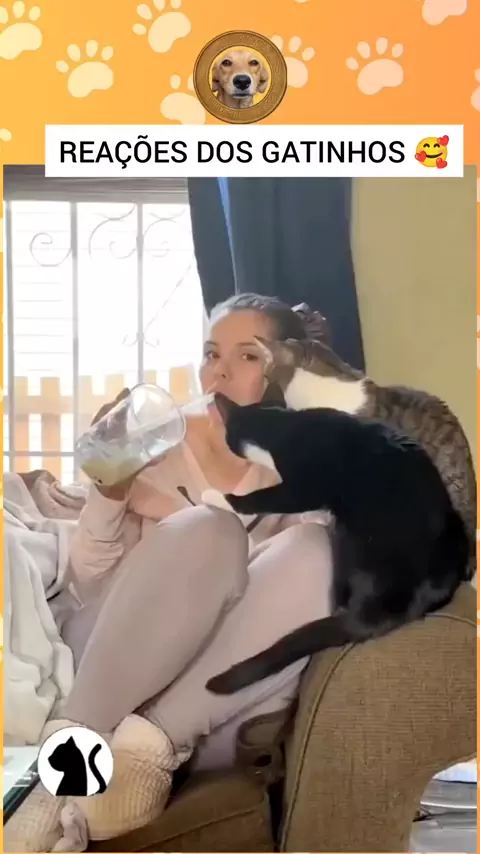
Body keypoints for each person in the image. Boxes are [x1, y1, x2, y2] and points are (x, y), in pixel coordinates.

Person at [5, 294, 334, 852]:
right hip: (110, 666)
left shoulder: (310, 470)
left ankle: (146, 754)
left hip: (198, 708)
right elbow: (85, 577)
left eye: (247, 356)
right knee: (209, 529)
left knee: (317, 550)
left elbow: (292, 601)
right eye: (211, 353)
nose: (218, 372)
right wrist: (112, 492)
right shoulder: (158, 438)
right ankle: (70, 759)